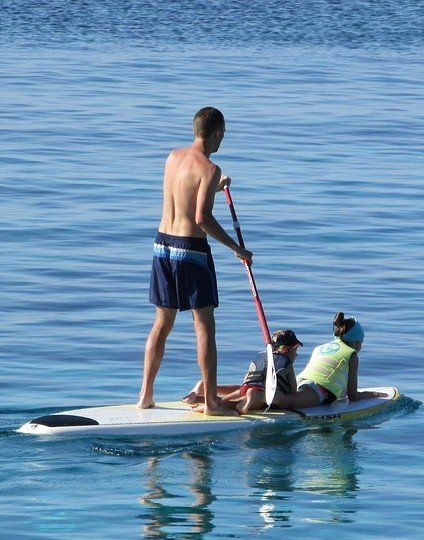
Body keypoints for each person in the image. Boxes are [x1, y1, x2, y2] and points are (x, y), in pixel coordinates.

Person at [137, 107, 253, 416]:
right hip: (191, 252)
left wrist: (215, 187)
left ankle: (145, 394)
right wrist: (236, 249)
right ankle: (212, 403)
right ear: (217, 133)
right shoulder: (210, 168)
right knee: (204, 327)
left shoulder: (173, 157)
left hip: (162, 245)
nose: (222, 141)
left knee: (162, 323)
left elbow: (184, 193)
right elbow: (202, 218)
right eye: (223, 135)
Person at [273, 312, 387, 410]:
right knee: (288, 403)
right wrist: (372, 394)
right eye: (361, 342)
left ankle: (265, 397)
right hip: (317, 390)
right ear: (356, 342)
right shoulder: (352, 355)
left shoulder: (320, 348)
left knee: (288, 400)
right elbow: (353, 397)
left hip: (299, 381)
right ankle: (270, 398)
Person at [182, 329, 302, 414]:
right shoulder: (287, 363)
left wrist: (246, 388)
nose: (296, 355)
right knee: (236, 404)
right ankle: (212, 406)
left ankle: (200, 398)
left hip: (246, 387)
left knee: (228, 398)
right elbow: (293, 390)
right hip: (261, 393)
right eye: (295, 351)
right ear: (287, 349)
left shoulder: (260, 356)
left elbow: (246, 380)